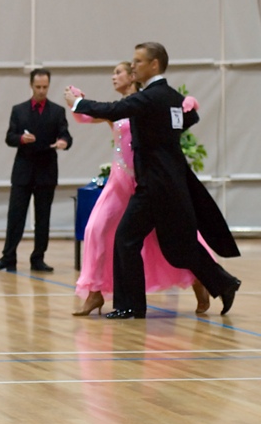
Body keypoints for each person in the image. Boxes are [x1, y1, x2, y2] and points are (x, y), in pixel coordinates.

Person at [64, 42, 241, 319]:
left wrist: (77, 102)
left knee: (126, 238)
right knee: (179, 245)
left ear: (154, 64)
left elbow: (112, 109)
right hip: (167, 183)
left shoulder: (151, 97)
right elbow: (179, 125)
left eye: (138, 61)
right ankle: (225, 284)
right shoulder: (170, 97)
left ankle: (131, 306)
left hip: (154, 185)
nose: (134, 66)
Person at [0, 68, 72, 273]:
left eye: (45, 87)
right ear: (31, 85)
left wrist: (63, 142)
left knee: (43, 217)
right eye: (38, 87)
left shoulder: (57, 111)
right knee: (15, 216)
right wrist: (21, 139)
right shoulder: (19, 110)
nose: (42, 91)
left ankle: (38, 258)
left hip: (46, 171)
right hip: (23, 170)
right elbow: (9, 137)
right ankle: (8, 257)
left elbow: (66, 135)